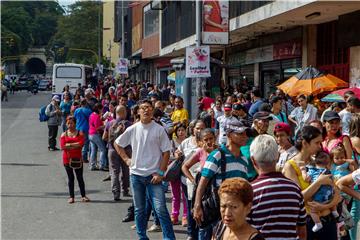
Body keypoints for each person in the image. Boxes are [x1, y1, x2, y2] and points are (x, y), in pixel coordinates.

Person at [114, 99, 175, 240]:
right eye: (143, 108)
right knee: (139, 210)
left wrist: (160, 172)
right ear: (138, 112)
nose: (146, 110)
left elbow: (166, 152)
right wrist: (126, 159)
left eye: (148, 108)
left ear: (152, 111)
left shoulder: (159, 129)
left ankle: (169, 238)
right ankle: (142, 236)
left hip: (154, 176)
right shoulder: (133, 128)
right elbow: (117, 144)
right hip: (136, 175)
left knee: (161, 209)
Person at [283, 126, 341, 240]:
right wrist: (318, 182)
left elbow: (337, 193)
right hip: (308, 224)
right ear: (305, 143)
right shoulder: (290, 166)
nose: (320, 146)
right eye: (317, 143)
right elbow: (299, 198)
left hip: (329, 220)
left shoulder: (318, 162)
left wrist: (326, 205)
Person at [193, 121, 249, 239]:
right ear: (229, 135)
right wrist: (197, 206)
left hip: (235, 213)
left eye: (245, 134)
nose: (245, 137)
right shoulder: (217, 155)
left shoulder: (244, 159)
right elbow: (203, 182)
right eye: (240, 134)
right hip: (216, 211)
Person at [247, 135, 306, 239]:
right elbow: (302, 231)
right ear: (278, 156)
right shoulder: (295, 189)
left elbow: (245, 230)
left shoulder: (250, 191)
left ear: (253, 160)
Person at [303, 151, 340, 232]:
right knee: (332, 197)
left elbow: (306, 179)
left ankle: (318, 223)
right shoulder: (328, 172)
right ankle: (334, 211)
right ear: (328, 164)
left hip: (318, 198)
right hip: (328, 196)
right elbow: (333, 184)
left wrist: (303, 170)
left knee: (313, 211)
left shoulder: (312, 171)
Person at [103, 105, 131, 200]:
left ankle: (116, 192)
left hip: (112, 150)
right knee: (125, 170)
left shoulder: (109, 123)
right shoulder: (129, 124)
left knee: (114, 172)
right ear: (123, 113)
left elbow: (104, 137)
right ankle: (125, 190)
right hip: (125, 150)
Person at [60, 116, 90, 204]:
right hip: (67, 159)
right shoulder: (63, 134)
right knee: (70, 178)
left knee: (80, 177)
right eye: (68, 123)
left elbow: (81, 144)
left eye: (71, 123)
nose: (70, 125)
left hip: (77, 159)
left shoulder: (80, 133)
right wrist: (74, 144)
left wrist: (69, 144)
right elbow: (63, 146)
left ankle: (83, 196)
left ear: (75, 123)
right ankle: (71, 197)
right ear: (66, 124)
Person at [169, 124, 188, 226]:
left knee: (185, 195)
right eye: (179, 130)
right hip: (175, 171)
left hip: (186, 171)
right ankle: (174, 216)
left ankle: (185, 216)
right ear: (176, 133)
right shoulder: (172, 142)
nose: (181, 132)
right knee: (175, 195)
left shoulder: (189, 142)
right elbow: (168, 156)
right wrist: (175, 156)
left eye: (182, 130)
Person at [88, 103, 108, 171]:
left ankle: (92, 165)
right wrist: (105, 126)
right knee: (103, 149)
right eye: (101, 109)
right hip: (95, 134)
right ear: (99, 109)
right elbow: (97, 127)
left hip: (90, 134)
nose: (102, 110)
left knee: (93, 150)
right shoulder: (96, 116)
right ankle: (101, 165)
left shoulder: (92, 114)